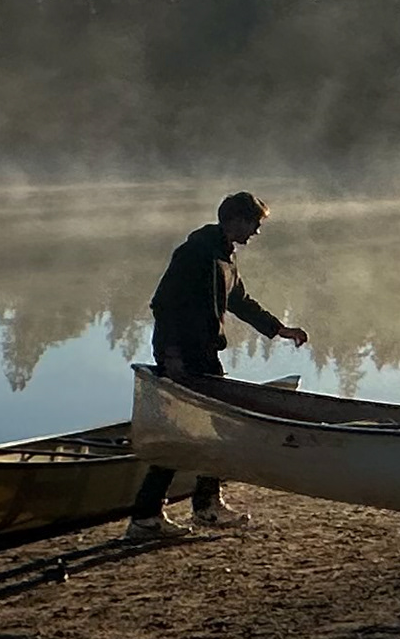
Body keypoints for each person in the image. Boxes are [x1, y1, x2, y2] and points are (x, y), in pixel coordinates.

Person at [125, 190, 308, 539]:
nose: (256, 231)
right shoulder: (194, 253)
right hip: (182, 357)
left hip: (205, 355)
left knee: (211, 432)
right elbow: (164, 304)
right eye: (254, 223)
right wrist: (171, 356)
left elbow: (238, 299)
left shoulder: (225, 256)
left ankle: (206, 506)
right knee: (179, 435)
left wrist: (278, 328)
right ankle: (146, 518)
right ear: (235, 220)